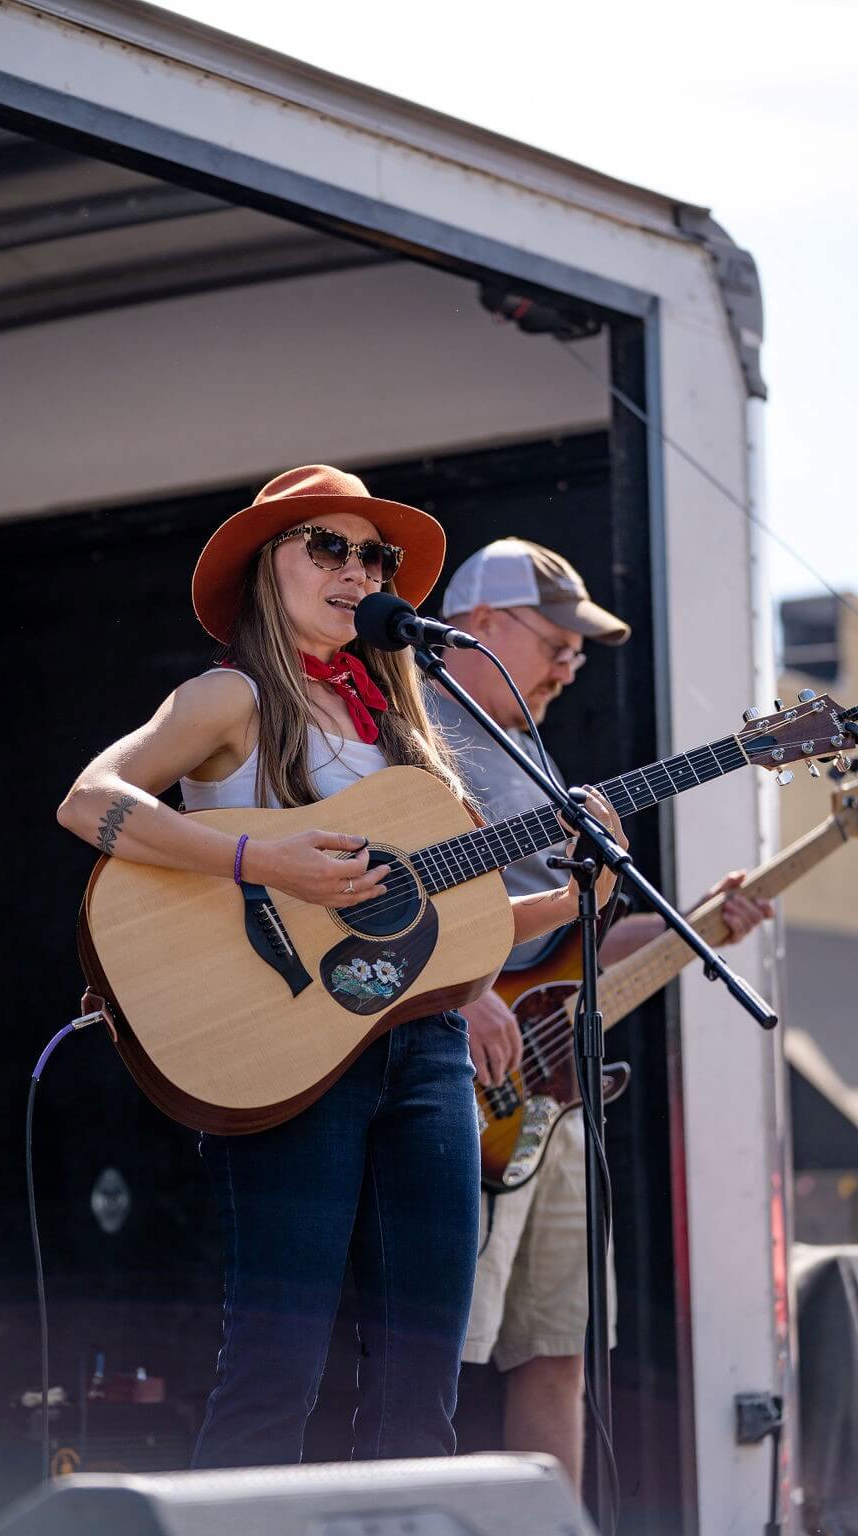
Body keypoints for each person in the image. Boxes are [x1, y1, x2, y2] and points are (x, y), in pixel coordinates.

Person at [55, 467, 628, 1470]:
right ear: (261, 569)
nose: (357, 569)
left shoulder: (405, 718)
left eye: (375, 555)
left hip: (427, 1052)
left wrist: (588, 889)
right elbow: (86, 800)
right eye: (326, 546)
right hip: (287, 1052)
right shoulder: (227, 694)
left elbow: (456, 925)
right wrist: (258, 858)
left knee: (422, 1387)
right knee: (276, 1369)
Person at [432, 537, 773, 1491]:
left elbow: (568, 957)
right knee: (443, 1357)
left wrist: (698, 926)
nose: (570, 668)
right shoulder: (414, 734)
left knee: (557, 1350)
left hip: (554, 1096)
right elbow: (385, 915)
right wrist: (460, 999)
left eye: (579, 652)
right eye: (556, 643)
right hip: (449, 1086)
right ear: (485, 624)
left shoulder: (529, 755)